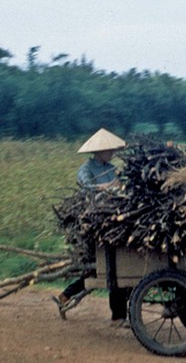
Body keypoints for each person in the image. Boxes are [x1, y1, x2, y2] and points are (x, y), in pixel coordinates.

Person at [53, 128, 129, 320]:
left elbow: (120, 187)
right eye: (108, 150)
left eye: (112, 150)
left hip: (115, 218)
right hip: (96, 221)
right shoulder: (85, 169)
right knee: (106, 267)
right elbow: (86, 188)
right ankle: (118, 316)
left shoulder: (112, 169)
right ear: (99, 151)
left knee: (110, 266)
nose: (111, 154)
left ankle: (67, 295)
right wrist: (104, 187)